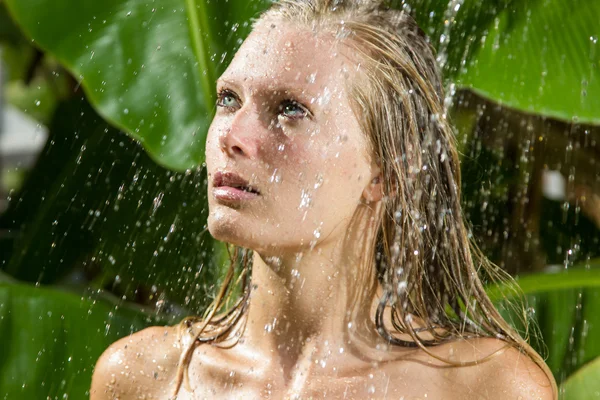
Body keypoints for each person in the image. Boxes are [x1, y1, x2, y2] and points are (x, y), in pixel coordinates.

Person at [90, 0, 557, 398]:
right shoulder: (145, 378)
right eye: (229, 99)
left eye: (290, 109)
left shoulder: (485, 388)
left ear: (388, 172)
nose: (234, 135)